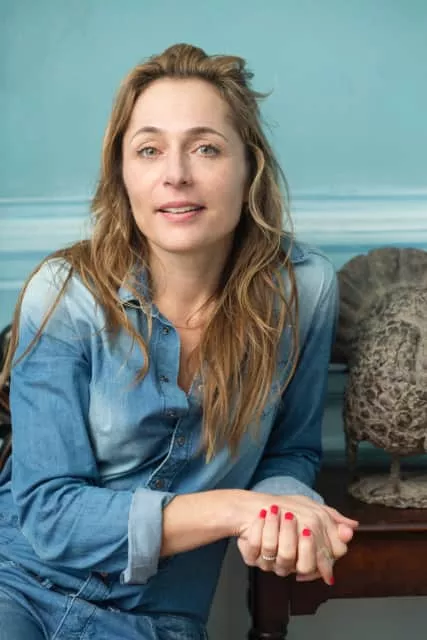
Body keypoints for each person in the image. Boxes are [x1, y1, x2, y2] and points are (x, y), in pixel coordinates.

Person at [0, 43, 357, 640]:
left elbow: (289, 451)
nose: (176, 175)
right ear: (123, 174)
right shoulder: (64, 294)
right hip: (16, 584)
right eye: (149, 150)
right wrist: (234, 509)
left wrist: (280, 511)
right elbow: (50, 514)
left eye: (206, 148)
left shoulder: (303, 289)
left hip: (158, 619)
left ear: (250, 167)